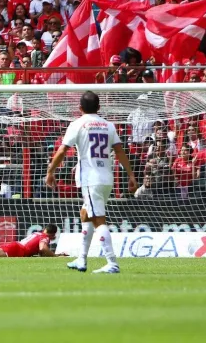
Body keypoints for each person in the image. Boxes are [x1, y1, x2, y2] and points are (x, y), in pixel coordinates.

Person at [46, 91, 138, 274]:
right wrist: (131, 175)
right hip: (106, 179)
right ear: (99, 107)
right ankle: (81, 259)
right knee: (85, 214)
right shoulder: (109, 125)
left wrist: (50, 170)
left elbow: (63, 150)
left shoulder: (77, 124)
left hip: (90, 179)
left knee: (98, 220)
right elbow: (119, 152)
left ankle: (112, 262)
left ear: (80, 108)